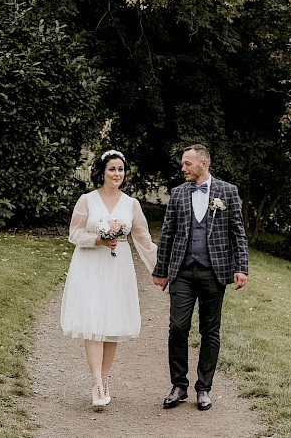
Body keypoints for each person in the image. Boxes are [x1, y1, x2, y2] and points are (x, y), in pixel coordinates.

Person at [153, 144, 249, 412]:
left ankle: (204, 388)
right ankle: (179, 385)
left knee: (210, 331)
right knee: (178, 327)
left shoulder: (227, 192)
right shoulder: (178, 193)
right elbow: (168, 234)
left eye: (187, 164)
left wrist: (241, 267)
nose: (183, 168)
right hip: (182, 271)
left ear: (203, 164)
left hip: (214, 271)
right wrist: (161, 270)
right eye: (183, 164)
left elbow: (237, 234)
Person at [60, 149, 158, 408]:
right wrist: (97, 240)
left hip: (118, 266)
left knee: (112, 323)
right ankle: (96, 383)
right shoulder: (87, 200)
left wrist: (160, 268)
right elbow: (74, 234)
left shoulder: (131, 204)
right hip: (91, 264)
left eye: (121, 169)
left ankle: (106, 377)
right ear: (102, 172)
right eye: (112, 169)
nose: (117, 174)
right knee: (93, 319)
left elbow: (143, 239)